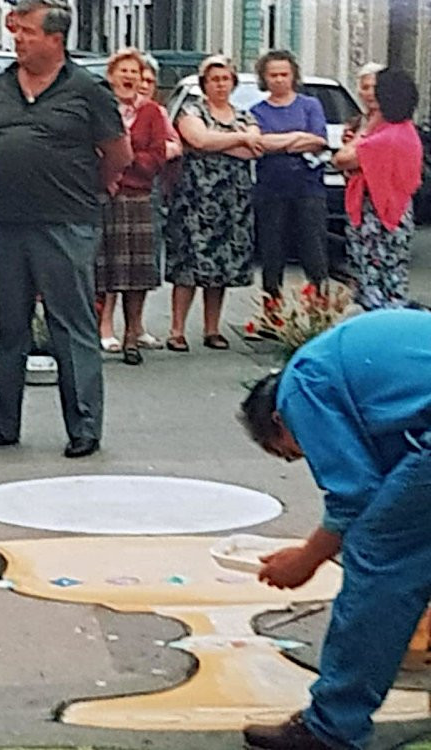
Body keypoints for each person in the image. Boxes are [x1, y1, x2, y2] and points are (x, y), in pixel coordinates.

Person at [239, 308, 431, 750]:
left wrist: (305, 560)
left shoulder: (299, 389)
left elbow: (355, 495)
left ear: (278, 422)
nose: (306, 457)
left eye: (291, 453)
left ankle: (332, 727)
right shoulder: (337, 365)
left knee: (378, 555)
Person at [0, 0, 130, 457]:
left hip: (67, 223)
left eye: (28, 32)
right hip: (9, 223)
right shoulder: (0, 86)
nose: (18, 38)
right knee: (10, 324)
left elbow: (119, 153)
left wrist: (88, 188)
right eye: (16, 32)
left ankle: (83, 427)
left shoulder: (87, 89)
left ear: (56, 40)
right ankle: (2, 423)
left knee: (70, 324)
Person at [165, 54, 261, 352]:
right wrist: (237, 139)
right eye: (214, 79)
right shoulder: (191, 110)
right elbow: (200, 140)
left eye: (225, 79)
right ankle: (177, 330)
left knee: (221, 265)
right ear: (204, 84)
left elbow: (254, 150)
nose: (220, 84)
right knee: (188, 265)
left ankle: (212, 329)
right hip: (195, 198)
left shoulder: (245, 115)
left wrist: (225, 140)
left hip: (232, 200)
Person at [98, 58, 180, 356]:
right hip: (106, 194)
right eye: (124, 72)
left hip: (138, 195)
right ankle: (104, 328)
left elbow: (158, 153)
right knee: (106, 266)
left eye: (134, 72)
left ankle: (133, 330)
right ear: (111, 76)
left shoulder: (152, 112)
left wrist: (124, 156)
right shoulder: (100, 107)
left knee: (136, 271)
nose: (129, 77)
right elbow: (92, 148)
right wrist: (115, 160)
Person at [333, 68, 423, 310]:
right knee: (393, 278)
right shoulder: (407, 131)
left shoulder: (385, 137)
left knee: (373, 280)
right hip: (399, 213)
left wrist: (366, 128)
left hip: (377, 217)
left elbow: (342, 159)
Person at [250, 50, 330, 300]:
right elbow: (260, 143)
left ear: (293, 75)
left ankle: (319, 308)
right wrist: (297, 137)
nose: (279, 80)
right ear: (264, 78)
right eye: (273, 75)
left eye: (284, 74)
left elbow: (319, 140)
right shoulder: (257, 110)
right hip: (270, 189)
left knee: (313, 248)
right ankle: (272, 314)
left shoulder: (310, 105)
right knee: (273, 251)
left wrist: (281, 142)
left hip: (308, 187)